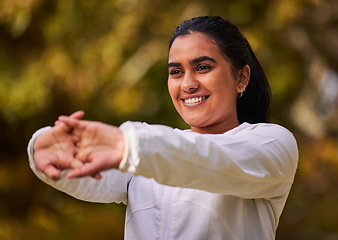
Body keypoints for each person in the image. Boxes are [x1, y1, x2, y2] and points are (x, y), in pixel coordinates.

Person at [27, 16, 298, 240]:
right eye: (176, 71)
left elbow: (212, 160)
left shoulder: (272, 144)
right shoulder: (144, 150)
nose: (187, 84)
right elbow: (78, 168)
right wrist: (43, 146)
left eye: (203, 67)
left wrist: (129, 146)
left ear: (241, 77)